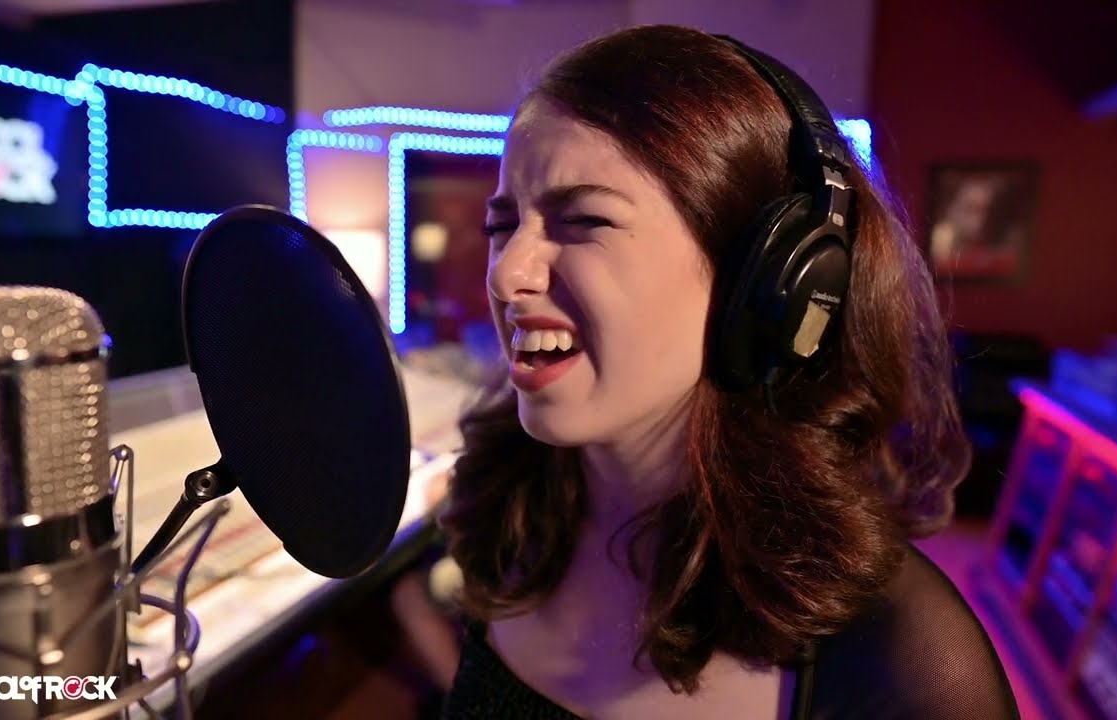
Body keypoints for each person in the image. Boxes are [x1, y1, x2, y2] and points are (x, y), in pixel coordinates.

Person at [435, 25, 1020, 719]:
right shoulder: (505, 512)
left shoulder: (908, 668)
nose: (507, 273)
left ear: (766, 275)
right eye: (503, 226)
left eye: (584, 220)